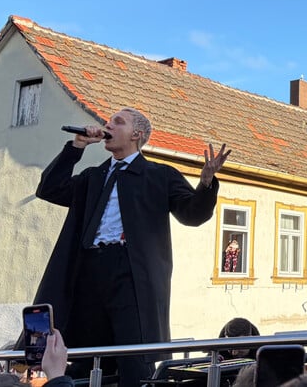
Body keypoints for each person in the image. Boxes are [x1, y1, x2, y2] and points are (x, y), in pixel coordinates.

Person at [32, 107, 231, 387]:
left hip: (132, 273)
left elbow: (192, 214)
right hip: (89, 270)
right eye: (108, 120)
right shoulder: (93, 177)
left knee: (133, 360)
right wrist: (75, 148)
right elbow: (49, 188)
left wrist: (207, 183)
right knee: (87, 359)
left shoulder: (159, 175)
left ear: (136, 134)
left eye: (117, 121)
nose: (107, 124)